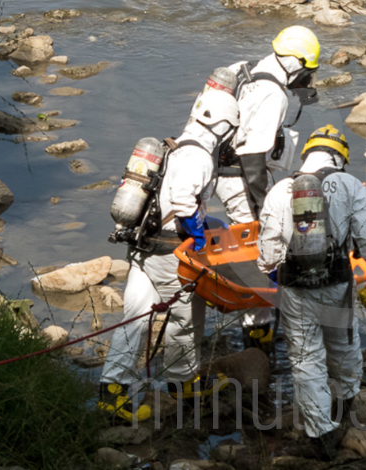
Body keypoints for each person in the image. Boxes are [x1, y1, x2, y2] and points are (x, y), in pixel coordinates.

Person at [98, 70, 240, 421]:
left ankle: (112, 391)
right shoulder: (200, 157)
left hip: (142, 246)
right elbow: (182, 199)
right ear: (223, 126)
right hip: (169, 252)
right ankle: (183, 384)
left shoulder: (175, 146)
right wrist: (199, 238)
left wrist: (205, 224)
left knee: (134, 318)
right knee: (185, 320)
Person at [257, 125, 366, 459]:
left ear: (306, 154)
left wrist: (279, 279)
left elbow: (268, 254)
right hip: (337, 285)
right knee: (344, 347)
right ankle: (343, 410)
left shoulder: (279, 190)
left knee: (305, 360)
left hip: (295, 289)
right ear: (340, 157)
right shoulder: (349, 185)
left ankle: (321, 436)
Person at [218, 25, 321, 347]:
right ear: (295, 63)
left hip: (213, 169)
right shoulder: (273, 95)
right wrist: (266, 213)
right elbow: (252, 159)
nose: (308, 78)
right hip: (238, 178)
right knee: (261, 253)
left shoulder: (243, 69)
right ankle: (257, 339)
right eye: (307, 71)